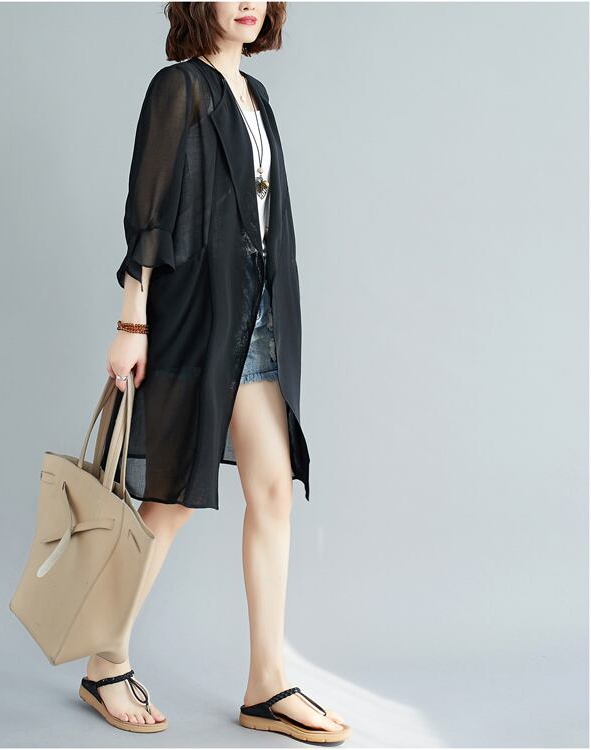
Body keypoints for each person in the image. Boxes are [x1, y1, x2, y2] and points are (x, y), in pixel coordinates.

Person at [80, 1, 351, 742]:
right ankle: (106, 661)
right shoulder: (179, 87)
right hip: (197, 314)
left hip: (256, 314)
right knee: (171, 496)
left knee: (273, 489)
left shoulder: (255, 96)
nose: (248, 2)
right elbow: (149, 210)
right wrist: (132, 322)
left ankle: (267, 684)